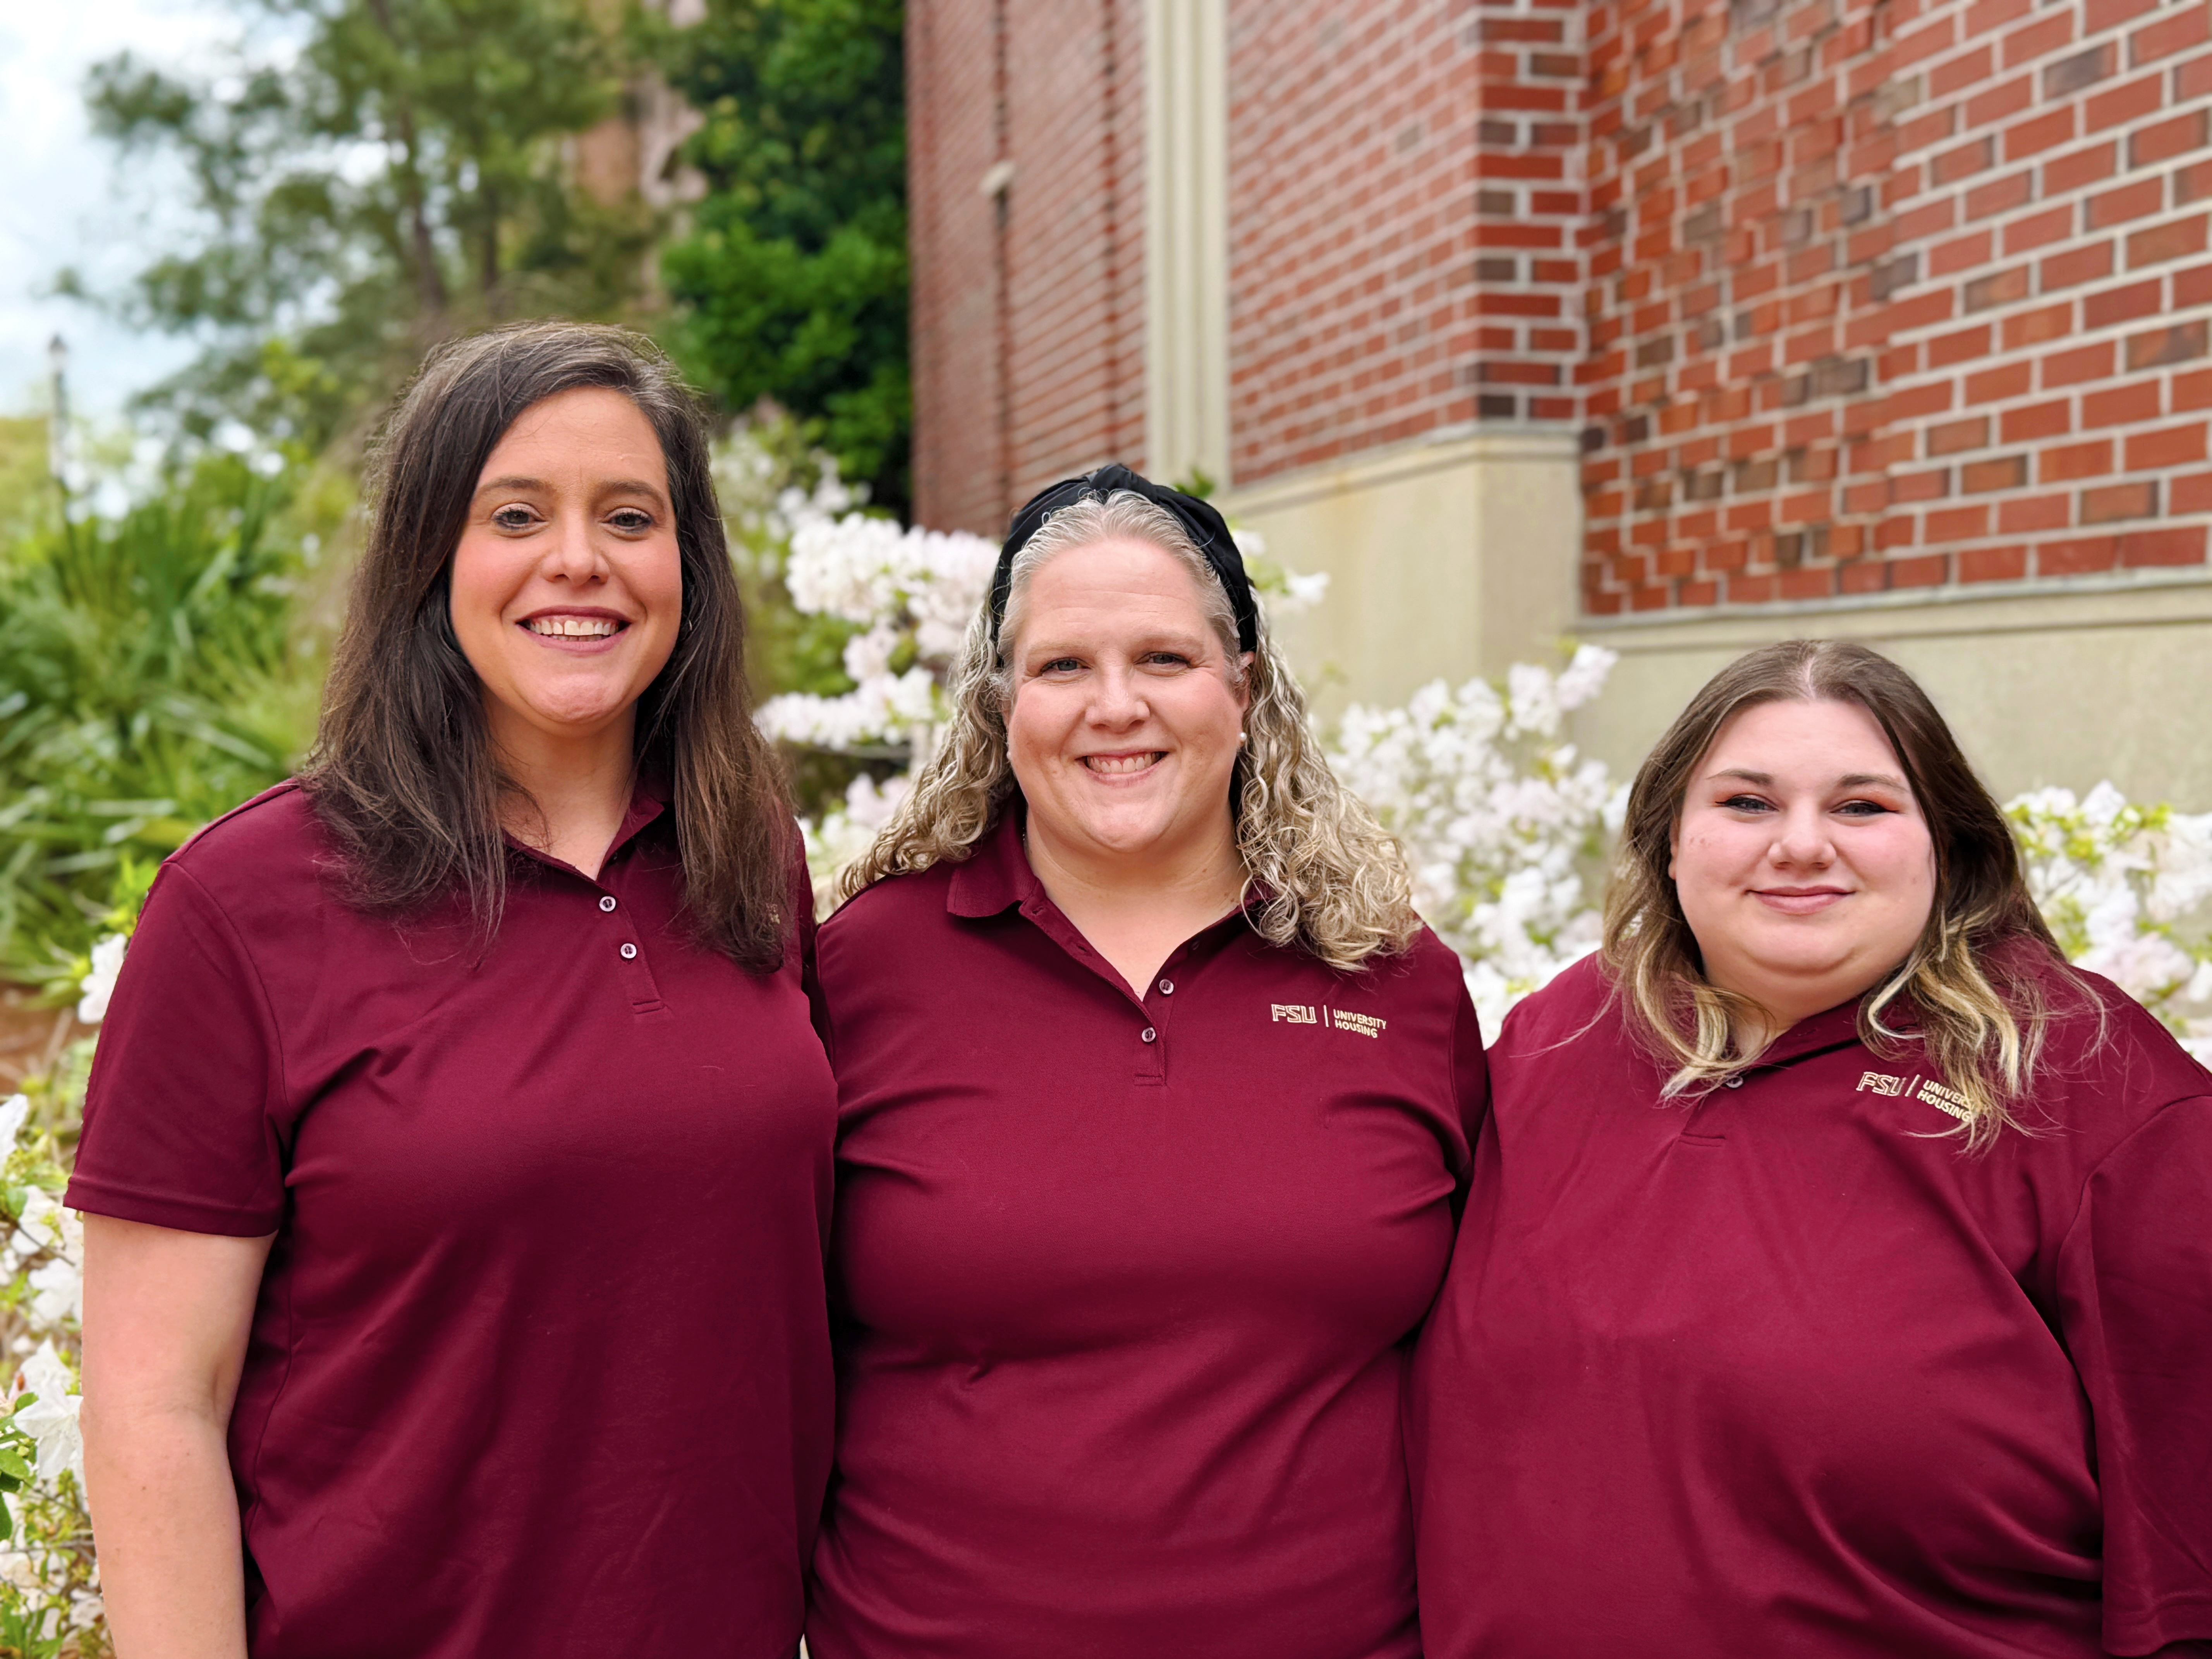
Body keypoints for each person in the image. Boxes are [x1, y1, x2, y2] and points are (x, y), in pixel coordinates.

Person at [70, 321, 836, 1658]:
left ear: (687, 565)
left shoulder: (749, 857)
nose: (578, 559)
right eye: (517, 512)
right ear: (432, 555)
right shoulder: (241, 903)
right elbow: (153, 1399)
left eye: (631, 515)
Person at [1408, 639, 2212, 1659]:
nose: (1800, 845)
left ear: (1947, 846)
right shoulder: (1559, 1039)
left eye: (1862, 807)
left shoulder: (2088, 1084)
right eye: (1747, 802)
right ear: (1667, 842)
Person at [804, 465, 1486, 1659]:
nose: (1115, 705)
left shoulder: (1395, 979)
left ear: (1246, 688)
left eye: (1165, 660)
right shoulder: (863, 969)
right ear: (1000, 701)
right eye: (1065, 666)